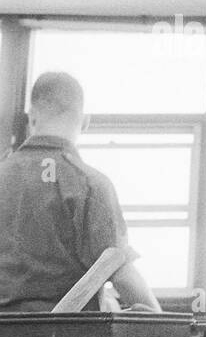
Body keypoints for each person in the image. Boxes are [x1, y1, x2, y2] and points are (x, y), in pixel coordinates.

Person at [0, 71, 160, 313]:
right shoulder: (91, 184)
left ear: (31, 117)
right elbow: (122, 273)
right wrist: (164, 324)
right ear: (85, 122)